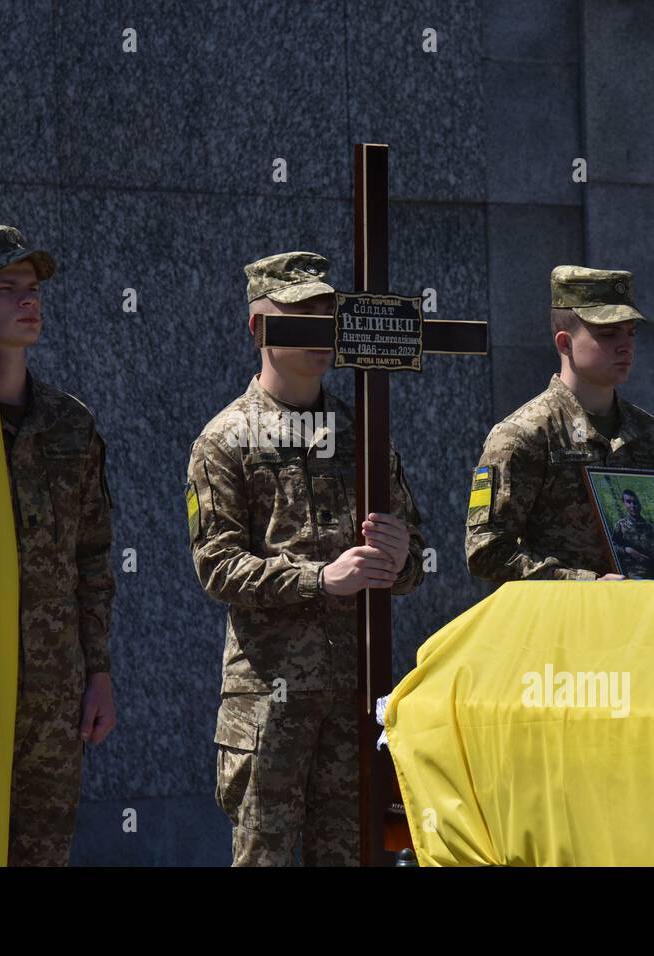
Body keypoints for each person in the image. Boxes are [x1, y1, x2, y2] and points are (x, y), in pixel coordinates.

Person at [186, 250, 427, 866]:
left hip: (353, 695)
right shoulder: (227, 439)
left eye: (328, 315)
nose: (321, 332)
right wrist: (321, 579)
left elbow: (414, 556)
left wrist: (400, 557)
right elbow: (218, 567)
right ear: (258, 328)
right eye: (301, 316)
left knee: (350, 857)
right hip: (269, 700)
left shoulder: (363, 433)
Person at [0, 224, 117, 866]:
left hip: (54, 691)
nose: (29, 301)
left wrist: (99, 672)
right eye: (7, 288)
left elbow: (93, 556)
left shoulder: (70, 423)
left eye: (32, 290)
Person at [465, 265, 654, 583]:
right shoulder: (523, 436)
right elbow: (486, 552)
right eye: (608, 334)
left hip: (645, 624)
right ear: (565, 343)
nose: (625, 346)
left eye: (630, 333)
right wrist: (583, 585)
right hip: (561, 627)